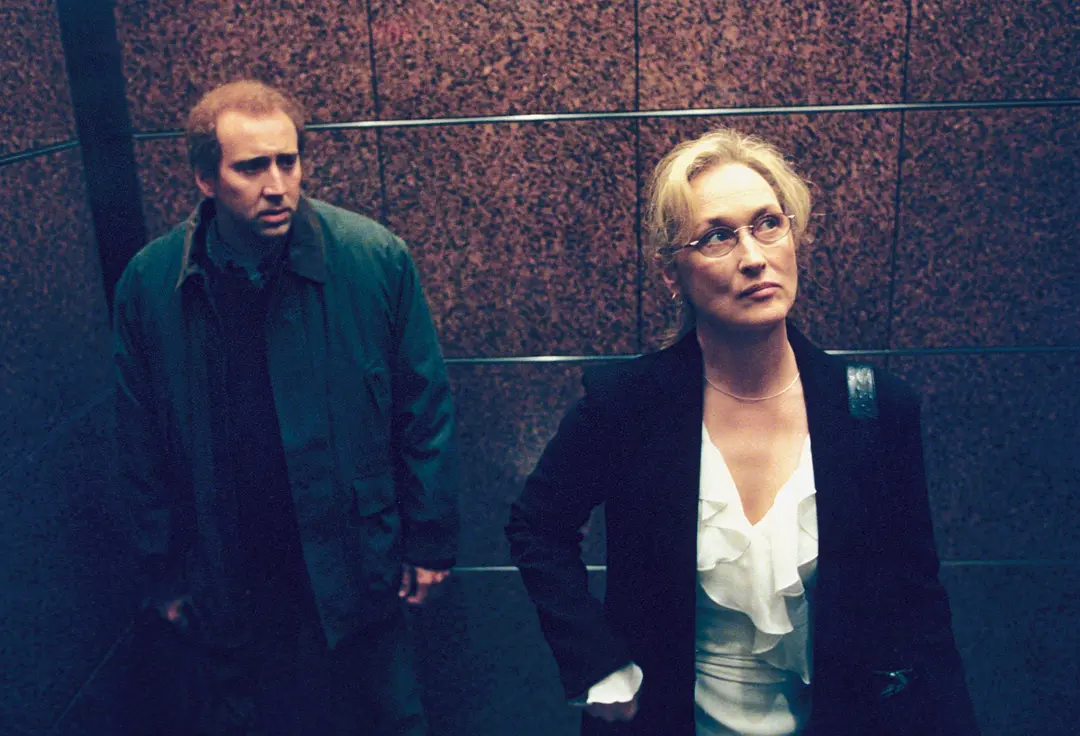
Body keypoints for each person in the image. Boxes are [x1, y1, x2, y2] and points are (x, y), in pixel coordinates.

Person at [506, 128, 979, 735]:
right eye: (717, 237)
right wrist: (598, 663)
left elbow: (919, 601)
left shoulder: (873, 409)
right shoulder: (626, 406)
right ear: (672, 273)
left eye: (768, 224)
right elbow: (537, 527)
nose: (753, 257)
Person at [113, 80, 458, 735]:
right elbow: (141, 441)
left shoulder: (372, 260)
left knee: (384, 713)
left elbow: (423, 410)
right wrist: (164, 571)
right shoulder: (151, 285)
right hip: (231, 568)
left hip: (356, 561)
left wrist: (430, 540)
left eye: (288, 161)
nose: (277, 185)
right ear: (205, 179)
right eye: (251, 167)